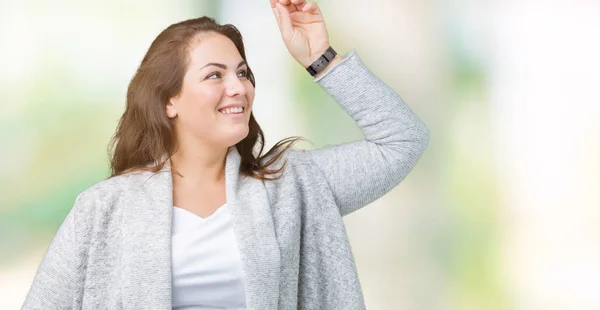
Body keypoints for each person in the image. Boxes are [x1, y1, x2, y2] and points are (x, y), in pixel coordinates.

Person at [22, 0, 430, 309]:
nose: (238, 87)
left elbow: (402, 141)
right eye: (215, 74)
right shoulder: (104, 208)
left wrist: (319, 57)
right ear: (170, 101)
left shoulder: (293, 185)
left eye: (242, 72)